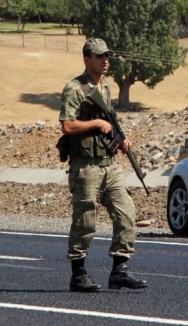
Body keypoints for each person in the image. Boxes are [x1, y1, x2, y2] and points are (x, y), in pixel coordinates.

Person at [59, 38, 148, 293]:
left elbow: (108, 123)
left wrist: (120, 140)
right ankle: (78, 275)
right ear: (87, 59)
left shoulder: (105, 87)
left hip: (110, 165)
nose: (105, 60)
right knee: (85, 221)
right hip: (85, 167)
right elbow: (67, 126)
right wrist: (95, 124)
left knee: (126, 213)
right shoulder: (75, 89)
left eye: (107, 56)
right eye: (99, 56)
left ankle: (119, 270)